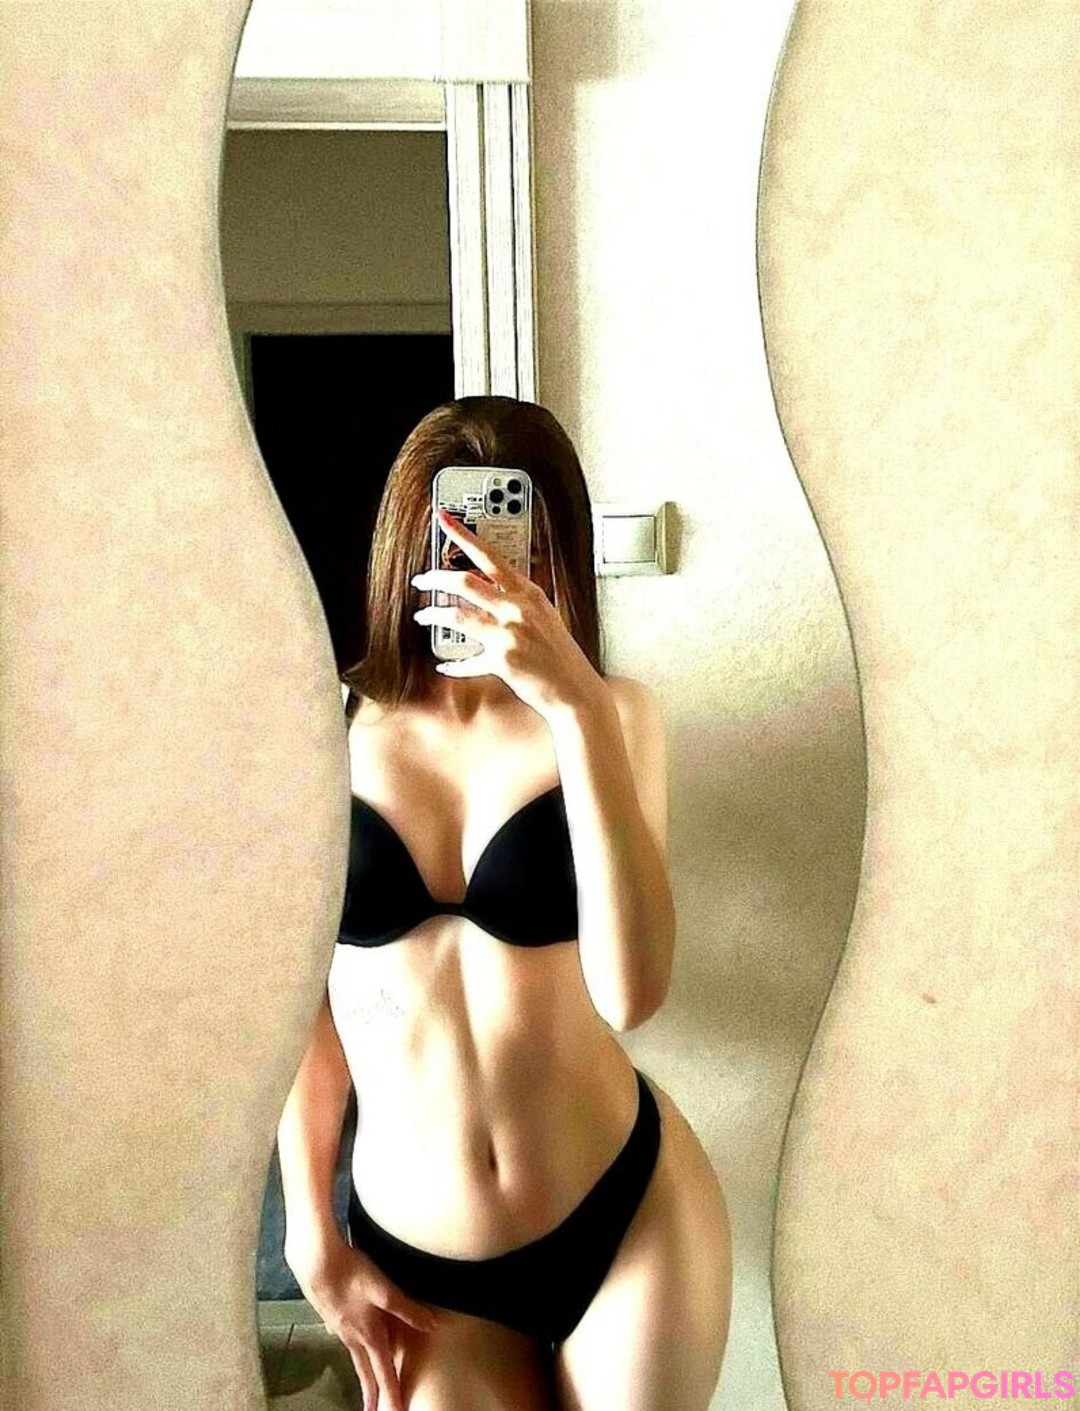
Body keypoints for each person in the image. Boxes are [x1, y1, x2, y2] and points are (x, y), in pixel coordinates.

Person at [277, 397, 732, 1411]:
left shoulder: (615, 716)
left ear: (557, 547)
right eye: (456, 538)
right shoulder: (323, 731)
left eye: (521, 538)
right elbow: (302, 1014)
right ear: (408, 548)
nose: (491, 567)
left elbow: (633, 993)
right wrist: (309, 1228)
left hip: (624, 1220)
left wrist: (574, 707)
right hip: (420, 1262)